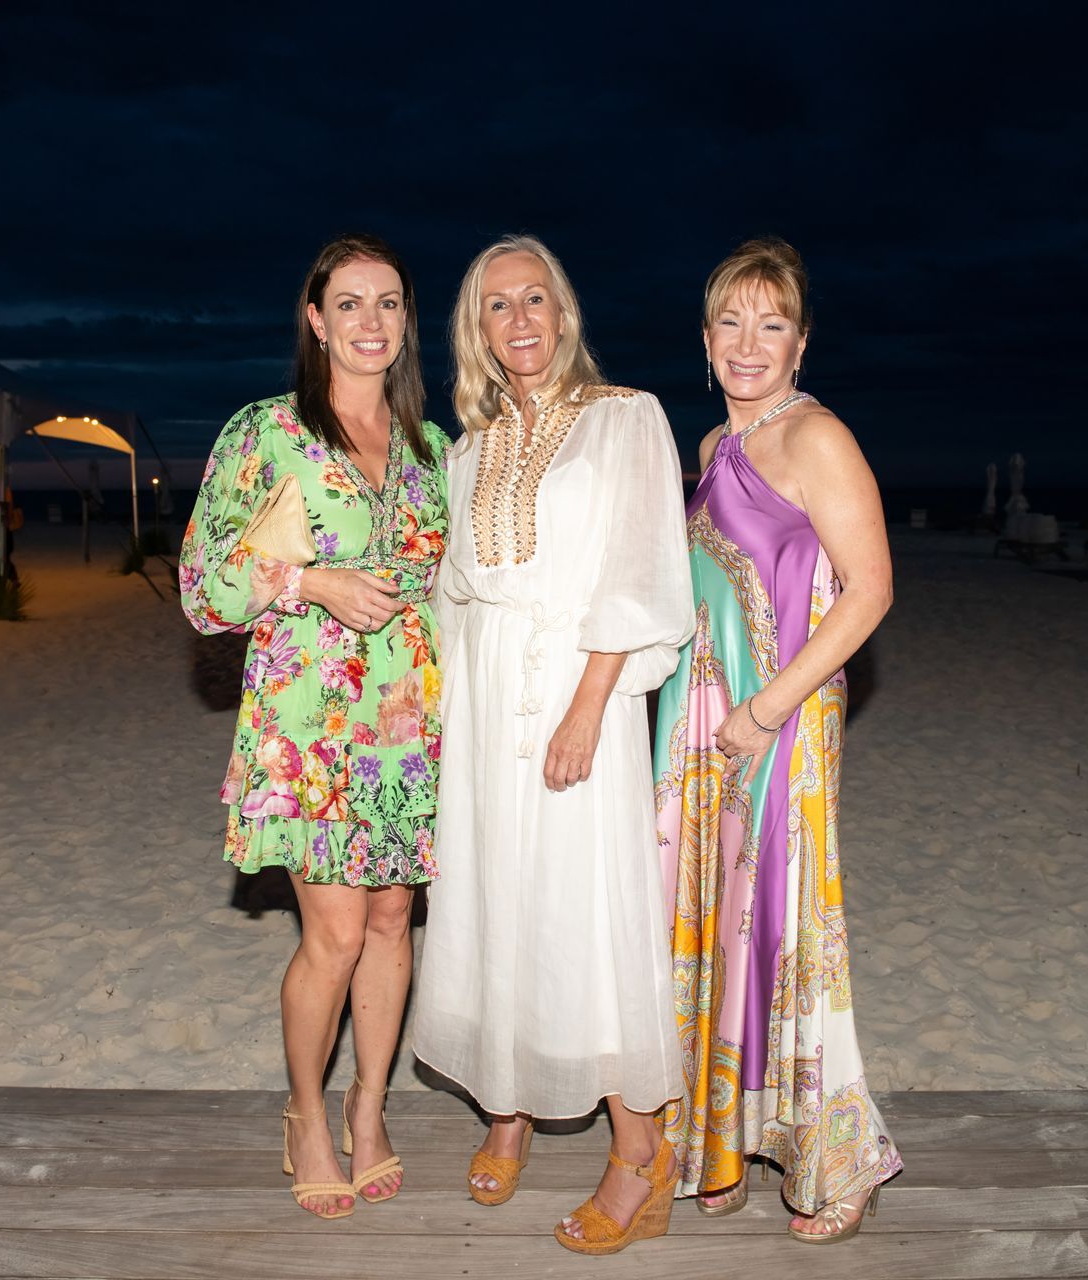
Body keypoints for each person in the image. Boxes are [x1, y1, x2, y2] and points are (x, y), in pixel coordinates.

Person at [409, 236, 692, 1256]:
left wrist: (589, 699)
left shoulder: (626, 420)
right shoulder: (467, 449)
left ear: (564, 312)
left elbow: (642, 565)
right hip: (485, 702)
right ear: (475, 330)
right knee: (493, 900)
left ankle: (638, 1148)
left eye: (536, 299)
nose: (520, 319)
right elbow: (448, 596)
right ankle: (510, 1105)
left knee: (590, 911)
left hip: (582, 690)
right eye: (497, 306)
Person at [179, 234, 450, 1221]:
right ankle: (305, 1110)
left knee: (391, 922)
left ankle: (369, 1105)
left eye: (388, 303)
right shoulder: (265, 433)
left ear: (406, 321)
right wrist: (309, 580)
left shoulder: (432, 448)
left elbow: (463, 583)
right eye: (350, 303)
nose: (370, 321)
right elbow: (202, 586)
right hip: (308, 726)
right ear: (315, 318)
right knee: (332, 933)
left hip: (409, 725)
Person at [656, 237, 902, 1244]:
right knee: (719, 920)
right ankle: (723, 1140)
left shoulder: (818, 439)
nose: (748, 343)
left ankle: (839, 1156)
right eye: (730, 321)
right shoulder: (713, 450)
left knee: (792, 928)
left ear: (802, 342)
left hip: (786, 719)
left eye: (771, 324)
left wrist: (765, 711)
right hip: (704, 723)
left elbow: (872, 590)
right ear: (705, 337)